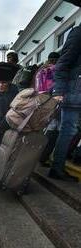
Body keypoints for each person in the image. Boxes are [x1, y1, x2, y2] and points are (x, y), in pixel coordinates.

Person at [48, 4, 81, 181]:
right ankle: (57, 168)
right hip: (73, 93)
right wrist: (59, 91)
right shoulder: (78, 33)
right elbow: (62, 64)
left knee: (70, 130)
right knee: (68, 130)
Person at [35, 52, 61, 167]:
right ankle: (43, 157)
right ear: (56, 60)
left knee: (41, 130)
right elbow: (53, 88)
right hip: (52, 103)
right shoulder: (54, 70)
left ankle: (36, 155)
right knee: (53, 130)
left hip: (39, 102)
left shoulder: (40, 70)